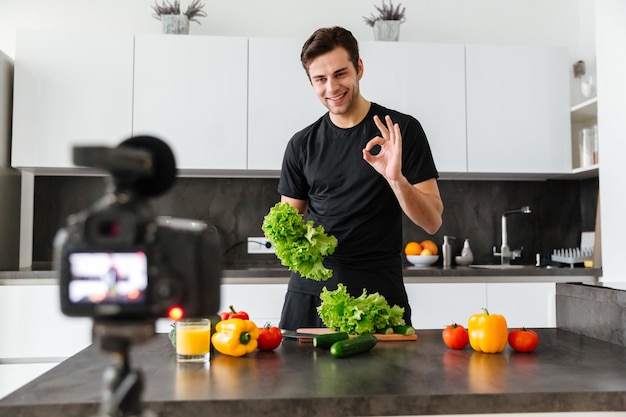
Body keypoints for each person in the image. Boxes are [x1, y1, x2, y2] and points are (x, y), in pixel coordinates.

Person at [277, 26, 443, 330]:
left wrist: (396, 179)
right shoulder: (301, 144)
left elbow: (432, 221)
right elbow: (287, 228)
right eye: (320, 79)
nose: (331, 87)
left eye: (340, 74)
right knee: (296, 379)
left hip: (378, 296)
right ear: (311, 82)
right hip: (311, 298)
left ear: (359, 68)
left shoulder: (401, 131)